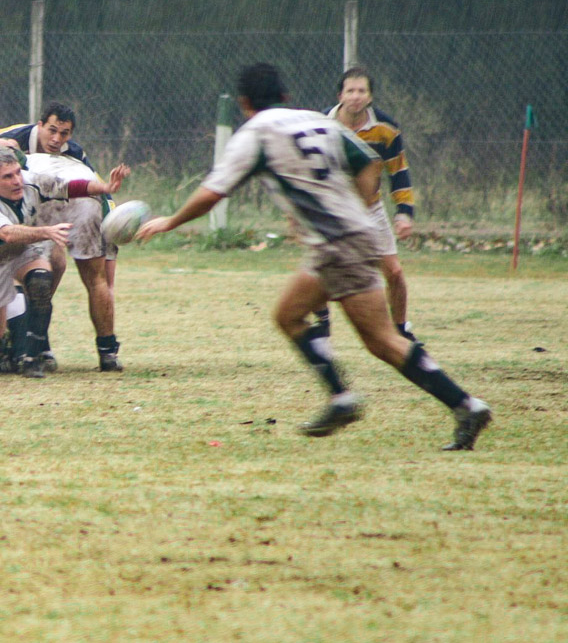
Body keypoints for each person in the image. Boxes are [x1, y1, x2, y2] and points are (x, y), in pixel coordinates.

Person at [136, 63, 491, 451]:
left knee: (383, 342)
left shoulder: (256, 132)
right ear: (285, 97)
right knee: (289, 316)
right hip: (348, 238)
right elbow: (370, 162)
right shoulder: (314, 120)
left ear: (243, 103)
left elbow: (212, 193)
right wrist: (356, 206)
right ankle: (345, 397)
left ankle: (460, 404)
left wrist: (171, 221)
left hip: (338, 243)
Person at [0, 147, 130, 377]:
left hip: (25, 251)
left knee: (41, 282)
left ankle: (33, 357)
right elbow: (7, 234)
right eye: (8, 176)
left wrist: (104, 188)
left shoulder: (30, 181)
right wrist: (46, 231)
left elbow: (68, 187)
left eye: (17, 172)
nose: (17, 180)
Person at [0, 102, 122, 371]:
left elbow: (99, 190)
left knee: (65, 272)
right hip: (43, 201)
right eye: (52, 131)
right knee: (54, 266)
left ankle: (27, 346)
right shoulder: (12, 137)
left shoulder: (74, 153)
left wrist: (111, 238)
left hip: (73, 201)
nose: (56, 139)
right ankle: (37, 345)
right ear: (39, 125)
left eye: (64, 134)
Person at [314, 67, 417, 342]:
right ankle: (321, 324)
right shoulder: (321, 124)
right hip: (333, 208)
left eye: (362, 91)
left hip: (370, 208)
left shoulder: (386, 129)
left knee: (394, 271)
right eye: (351, 91)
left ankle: (400, 330)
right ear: (340, 95)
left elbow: (399, 172)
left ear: (370, 97)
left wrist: (404, 213)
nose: (356, 97)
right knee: (321, 267)